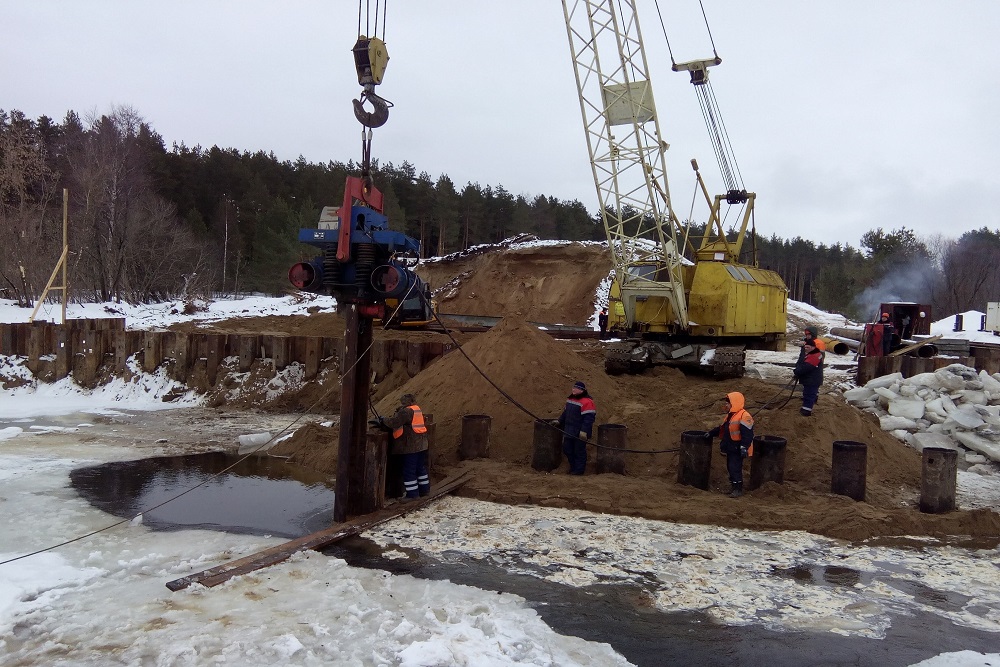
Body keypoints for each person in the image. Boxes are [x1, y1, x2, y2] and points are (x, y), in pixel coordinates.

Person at [381, 392, 430, 500]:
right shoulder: (417, 409)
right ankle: (424, 490)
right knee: (420, 468)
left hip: (411, 446)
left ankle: (412, 495)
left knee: (409, 471)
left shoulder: (406, 412)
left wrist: (383, 420)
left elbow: (395, 422)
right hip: (422, 444)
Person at [707, 392, 754, 498]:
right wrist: (710, 433)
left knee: (735, 468)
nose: (726, 405)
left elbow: (748, 434)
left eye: (728, 403)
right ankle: (734, 487)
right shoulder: (731, 416)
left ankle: (738, 489)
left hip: (737, 448)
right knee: (730, 467)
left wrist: (744, 447)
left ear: (734, 403)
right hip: (731, 447)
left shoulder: (744, 416)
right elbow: (722, 428)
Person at [554, 380, 596, 475]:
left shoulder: (587, 402)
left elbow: (589, 419)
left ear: (582, 390)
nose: (573, 389)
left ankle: (579, 471)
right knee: (567, 449)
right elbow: (565, 413)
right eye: (573, 387)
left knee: (579, 451)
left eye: (576, 388)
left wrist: (584, 431)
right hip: (569, 431)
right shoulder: (570, 400)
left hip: (579, 432)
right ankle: (573, 467)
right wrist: (559, 420)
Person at [794, 337, 824, 417]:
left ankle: (806, 411)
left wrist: (797, 372)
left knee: (809, 394)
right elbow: (801, 363)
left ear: (813, 347)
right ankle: (807, 406)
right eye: (805, 347)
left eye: (808, 347)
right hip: (811, 379)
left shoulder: (814, 356)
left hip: (812, 380)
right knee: (808, 393)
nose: (806, 349)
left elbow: (806, 367)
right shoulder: (813, 354)